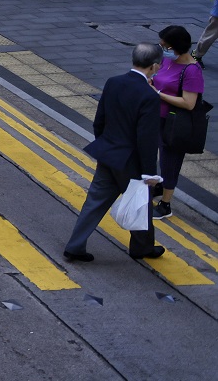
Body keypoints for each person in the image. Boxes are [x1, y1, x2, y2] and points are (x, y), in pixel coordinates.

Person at [63, 43, 165, 263]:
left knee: (94, 201)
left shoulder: (113, 82)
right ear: (154, 67)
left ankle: (75, 246)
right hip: (130, 160)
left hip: (108, 153)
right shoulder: (149, 96)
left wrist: (105, 145)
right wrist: (149, 173)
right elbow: (146, 139)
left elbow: (99, 121)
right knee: (140, 201)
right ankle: (141, 247)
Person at [152, 25, 205, 219]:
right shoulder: (167, 61)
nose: (161, 47)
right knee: (160, 155)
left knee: (170, 161)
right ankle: (160, 186)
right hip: (158, 119)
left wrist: (158, 94)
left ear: (176, 46)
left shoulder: (192, 70)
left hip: (175, 124)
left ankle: (166, 204)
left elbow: (189, 103)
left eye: (165, 45)